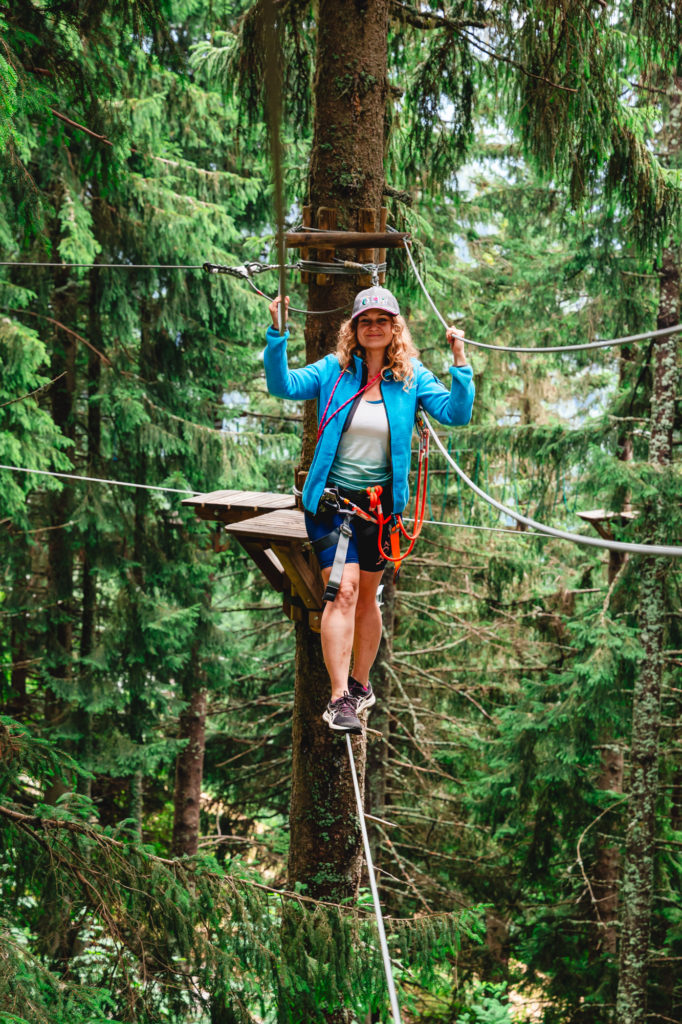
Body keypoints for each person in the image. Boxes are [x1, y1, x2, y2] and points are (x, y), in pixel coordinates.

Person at [264, 286, 474, 735]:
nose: (374, 327)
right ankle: (339, 698)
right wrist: (277, 334)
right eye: (366, 321)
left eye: (382, 320)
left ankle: (361, 685)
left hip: (379, 511)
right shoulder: (333, 371)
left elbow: (456, 414)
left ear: (395, 328)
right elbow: (283, 385)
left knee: (367, 599)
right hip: (331, 504)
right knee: (343, 591)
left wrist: (460, 361)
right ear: (355, 329)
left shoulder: (411, 378)